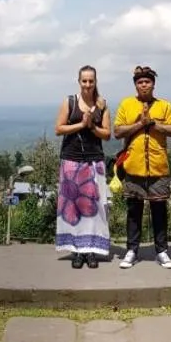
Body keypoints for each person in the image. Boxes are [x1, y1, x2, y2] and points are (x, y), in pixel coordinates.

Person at [112, 65, 171, 269]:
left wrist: (153, 124)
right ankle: (132, 250)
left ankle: (162, 250)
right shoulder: (126, 105)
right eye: (140, 82)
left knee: (159, 210)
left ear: (153, 84)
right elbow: (117, 131)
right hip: (133, 167)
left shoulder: (164, 106)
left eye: (147, 82)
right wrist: (140, 124)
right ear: (135, 85)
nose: (144, 85)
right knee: (134, 211)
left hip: (158, 168)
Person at [53, 65, 112, 268]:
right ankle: (77, 250)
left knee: (95, 207)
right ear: (79, 82)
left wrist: (92, 126)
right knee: (73, 206)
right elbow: (59, 128)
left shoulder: (102, 105)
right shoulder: (69, 102)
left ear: (96, 82)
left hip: (94, 159)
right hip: (71, 159)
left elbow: (107, 134)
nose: (87, 84)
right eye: (84, 81)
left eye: (91, 81)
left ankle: (92, 250)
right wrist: (82, 124)